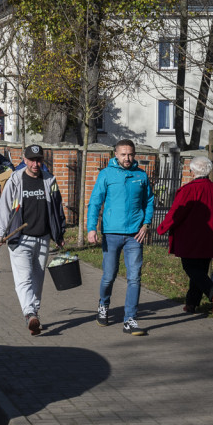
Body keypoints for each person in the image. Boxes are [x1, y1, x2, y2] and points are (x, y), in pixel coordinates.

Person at [0, 144, 66, 336]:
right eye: (32, 160)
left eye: (39, 160)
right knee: (23, 279)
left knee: (37, 279)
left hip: (43, 239)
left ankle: (33, 313)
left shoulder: (50, 180)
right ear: (25, 160)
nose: (35, 163)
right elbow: (4, 207)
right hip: (20, 238)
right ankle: (30, 313)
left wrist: (59, 234)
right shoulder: (16, 180)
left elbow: (57, 209)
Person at [87, 139, 155, 336]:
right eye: (123, 154)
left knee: (135, 278)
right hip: (112, 233)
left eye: (131, 154)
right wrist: (92, 228)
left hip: (135, 235)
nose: (127, 158)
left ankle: (130, 319)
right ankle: (103, 305)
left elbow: (148, 200)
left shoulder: (141, 175)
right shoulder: (106, 174)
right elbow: (94, 202)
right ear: (115, 154)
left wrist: (146, 223)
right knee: (109, 276)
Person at [156, 156, 213, 313]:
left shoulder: (187, 190)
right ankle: (191, 303)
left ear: (192, 171)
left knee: (190, 267)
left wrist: (162, 227)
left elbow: (177, 212)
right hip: (212, 237)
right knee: (201, 270)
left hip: (190, 237)